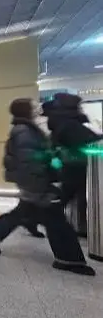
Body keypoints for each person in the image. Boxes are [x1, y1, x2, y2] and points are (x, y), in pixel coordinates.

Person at [0, 98, 94, 276]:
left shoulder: (26, 129)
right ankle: (68, 259)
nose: (38, 108)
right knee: (55, 219)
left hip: (35, 182)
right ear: (26, 110)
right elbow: (28, 161)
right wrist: (43, 183)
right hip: (37, 183)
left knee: (23, 212)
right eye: (34, 106)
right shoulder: (24, 131)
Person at [47, 93, 102, 237]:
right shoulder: (69, 123)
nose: (81, 109)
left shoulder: (63, 121)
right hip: (76, 164)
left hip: (72, 164)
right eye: (78, 106)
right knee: (70, 195)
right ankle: (47, 219)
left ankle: (79, 226)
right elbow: (82, 140)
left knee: (74, 195)